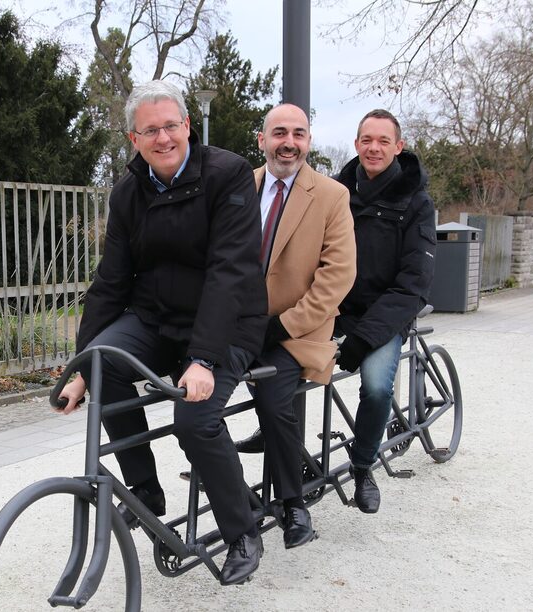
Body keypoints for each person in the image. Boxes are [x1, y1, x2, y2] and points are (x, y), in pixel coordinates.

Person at [56, 80, 268, 586]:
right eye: (150, 130)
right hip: (156, 319)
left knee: (194, 421)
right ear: (134, 139)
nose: (163, 137)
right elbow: (111, 281)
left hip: (227, 323)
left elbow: (229, 271)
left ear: (188, 127)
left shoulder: (228, 175)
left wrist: (205, 358)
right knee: (104, 366)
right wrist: (81, 367)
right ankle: (145, 493)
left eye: (171, 126)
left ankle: (243, 530)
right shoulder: (130, 192)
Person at [230, 103, 356, 549]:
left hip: (297, 331)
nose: (289, 142)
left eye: (298, 133)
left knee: (273, 398)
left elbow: (337, 276)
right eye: (279, 132)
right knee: (193, 395)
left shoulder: (331, 195)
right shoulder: (242, 187)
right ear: (261, 140)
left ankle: (292, 503)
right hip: (239, 325)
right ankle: (233, 489)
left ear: (308, 141)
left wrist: (283, 325)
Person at [332, 109, 436, 513]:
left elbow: (413, 283)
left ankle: (362, 466)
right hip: (338, 309)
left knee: (376, 386)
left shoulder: (416, 201)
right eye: (366, 140)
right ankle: (273, 442)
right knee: (276, 359)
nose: (374, 148)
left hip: (385, 315)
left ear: (399, 146)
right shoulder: (337, 192)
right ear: (357, 144)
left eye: (383, 141)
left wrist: (364, 337)